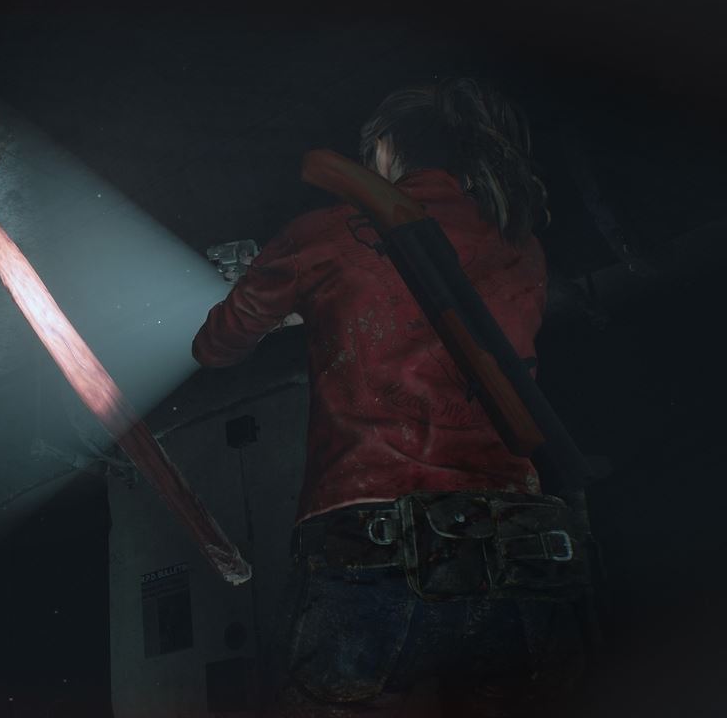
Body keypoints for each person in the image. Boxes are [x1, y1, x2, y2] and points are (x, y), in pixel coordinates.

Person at [193, 78, 584, 716]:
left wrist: (272, 281)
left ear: (387, 147)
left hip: (369, 541)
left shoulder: (323, 233)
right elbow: (421, 307)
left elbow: (217, 346)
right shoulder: (520, 245)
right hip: (516, 543)